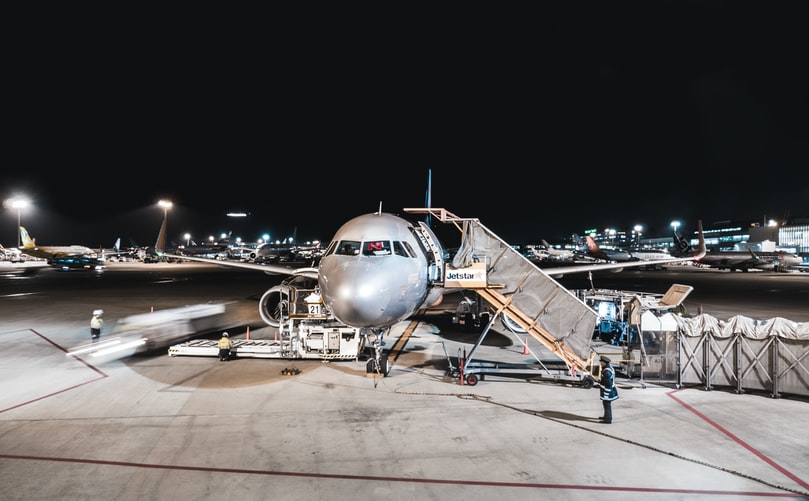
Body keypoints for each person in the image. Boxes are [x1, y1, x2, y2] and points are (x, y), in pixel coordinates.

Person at [598, 355, 619, 423]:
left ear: (604, 362)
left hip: (607, 391)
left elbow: (608, 384)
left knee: (607, 405)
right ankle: (606, 416)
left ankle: (608, 419)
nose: (600, 363)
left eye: (601, 362)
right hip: (608, 391)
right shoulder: (609, 368)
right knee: (605, 404)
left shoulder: (607, 372)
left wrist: (606, 394)